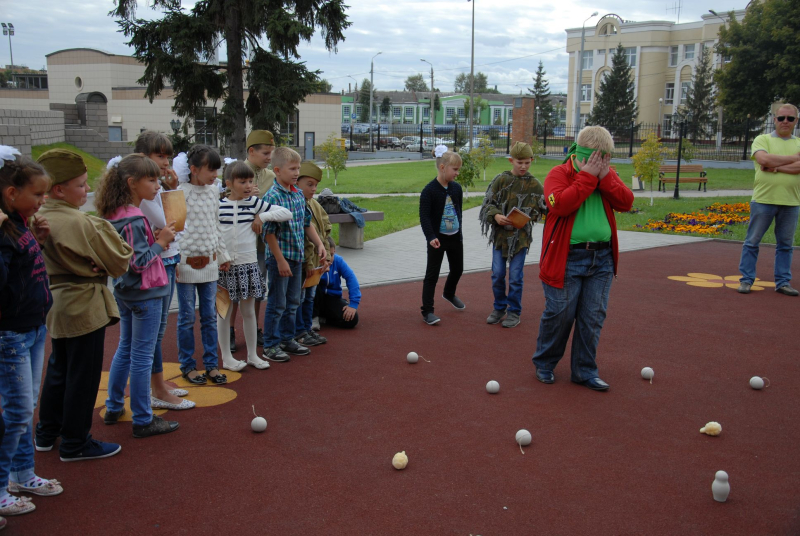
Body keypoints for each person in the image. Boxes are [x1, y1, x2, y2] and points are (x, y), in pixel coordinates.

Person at [34, 149, 133, 461]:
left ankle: (47, 432)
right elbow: (119, 260)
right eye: (80, 185)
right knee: (84, 374)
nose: (87, 190)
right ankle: (76, 442)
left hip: (56, 301)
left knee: (58, 368)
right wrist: (101, 264)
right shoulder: (79, 222)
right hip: (84, 302)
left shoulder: (38, 217)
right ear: (59, 189)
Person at [532, 126, 633, 392]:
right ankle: (545, 363)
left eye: (606, 159)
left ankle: (584, 370)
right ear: (580, 154)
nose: (601, 164)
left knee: (592, 316)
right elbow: (560, 205)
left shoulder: (606, 175)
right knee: (560, 314)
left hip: (601, 258)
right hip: (567, 257)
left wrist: (605, 178)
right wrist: (588, 178)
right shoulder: (559, 174)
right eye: (596, 158)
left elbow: (627, 202)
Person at [97, 153, 181, 437]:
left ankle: (114, 405)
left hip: (125, 291)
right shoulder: (133, 218)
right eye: (152, 179)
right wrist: (161, 242)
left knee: (126, 348)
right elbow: (138, 261)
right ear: (132, 183)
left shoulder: (114, 214)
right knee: (142, 356)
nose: (158, 185)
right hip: (145, 292)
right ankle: (144, 418)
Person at [0, 147, 62, 516]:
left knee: (25, 408)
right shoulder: (4, 230)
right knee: (17, 411)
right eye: (37, 194)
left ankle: (22, 473)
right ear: (11, 193)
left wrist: (36, 239)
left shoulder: (19, 223)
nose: (42, 201)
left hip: (33, 328)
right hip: (10, 334)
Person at [135, 131, 194, 411]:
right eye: (160, 155)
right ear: (143, 158)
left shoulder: (156, 186)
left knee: (157, 330)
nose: (166, 161)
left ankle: (156, 384)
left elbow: (174, 223)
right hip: (158, 260)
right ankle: (155, 388)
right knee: (152, 333)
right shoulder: (146, 190)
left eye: (168, 155)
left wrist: (170, 188)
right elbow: (174, 220)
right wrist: (171, 191)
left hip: (167, 257)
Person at [217, 160, 291, 371]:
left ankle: (252, 355)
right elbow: (214, 232)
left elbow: (286, 213)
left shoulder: (254, 203)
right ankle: (226, 357)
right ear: (229, 183)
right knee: (223, 312)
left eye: (250, 181)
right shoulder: (218, 205)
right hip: (224, 266)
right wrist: (222, 256)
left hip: (248, 264)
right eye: (243, 182)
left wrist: (262, 216)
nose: (249, 185)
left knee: (249, 311)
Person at [173, 145, 231, 384]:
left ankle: (211, 364)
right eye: (211, 169)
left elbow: (215, 226)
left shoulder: (213, 191)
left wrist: (223, 254)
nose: (215, 175)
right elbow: (175, 229)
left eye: (217, 170)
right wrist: (175, 260)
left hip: (210, 265)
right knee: (186, 318)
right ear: (194, 169)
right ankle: (187, 365)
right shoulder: (180, 192)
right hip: (185, 265)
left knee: (209, 316)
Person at [261, 147, 326, 362]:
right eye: (292, 169)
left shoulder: (298, 194)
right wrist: (279, 260)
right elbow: (269, 233)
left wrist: (319, 244)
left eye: (298, 168)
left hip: (297, 258)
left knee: (293, 302)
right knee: (277, 303)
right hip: (281, 258)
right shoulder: (273, 197)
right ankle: (270, 344)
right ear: (277, 170)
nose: (297, 172)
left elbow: (306, 224)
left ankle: (288, 338)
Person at [479, 141, 546, 328]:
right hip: (500, 238)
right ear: (511, 160)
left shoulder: (535, 185)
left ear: (532, 160)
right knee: (498, 274)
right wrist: (497, 216)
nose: (523, 166)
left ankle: (514, 311)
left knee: (516, 276)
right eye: (519, 162)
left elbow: (544, 209)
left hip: (521, 238)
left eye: (527, 162)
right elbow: (486, 205)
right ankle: (499, 306)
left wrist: (531, 215)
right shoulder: (501, 180)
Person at [737, 102, 800, 296]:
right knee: (752, 242)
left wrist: (776, 167)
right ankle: (746, 280)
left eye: (790, 118)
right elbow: (763, 160)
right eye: (781, 118)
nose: (785, 122)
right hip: (763, 200)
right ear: (775, 120)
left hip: (791, 202)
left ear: (796, 121)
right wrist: (793, 158)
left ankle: (782, 282)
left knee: (785, 245)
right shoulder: (762, 139)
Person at [229, 130, 277, 351]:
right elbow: (223, 199)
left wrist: (260, 214)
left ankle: (254, 328)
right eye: (266, 153)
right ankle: (229, 329)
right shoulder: (235, 171)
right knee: (233, 290)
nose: (269, 157)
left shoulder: (270, 177)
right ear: (251, 151)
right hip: (237, 242)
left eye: (271, 153)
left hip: (260, 243)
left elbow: (273, 206)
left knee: (257, 288)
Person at [419, 145, 464, 325]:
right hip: (437, 240)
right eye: (455, 169)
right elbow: (424, 217)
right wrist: (431, 237)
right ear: (443, 168)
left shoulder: (457, 189)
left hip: (455, 238)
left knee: (458, 269)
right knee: (432, 275)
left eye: (459, 170)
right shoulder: (429, 191)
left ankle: (449, 293)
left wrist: (459, 233)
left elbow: (458, 211)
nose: (457, 173)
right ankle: (427, 311)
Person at [294, 161, 331, 348]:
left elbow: (325, 231)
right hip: (304, 262)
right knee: (300, 298)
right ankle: (298, 331)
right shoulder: (298, 204)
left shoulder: (315, 205)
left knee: (309, 297)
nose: (314, 188)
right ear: (297, 182)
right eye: (309, 184)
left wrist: (328, 257)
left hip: (316, 262)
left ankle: (307, 329)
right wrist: (309, 263)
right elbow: (304, 238)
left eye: (316, 185)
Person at [316, 236, 360, 329]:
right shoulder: (314, 263)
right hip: (313, 300)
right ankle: (313, 318)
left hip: (332, 299)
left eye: (331, 255)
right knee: (315, 287)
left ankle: (324, 319)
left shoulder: (338, 261)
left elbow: (351, 278)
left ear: (335, 252)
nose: (329, 259)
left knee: (352, 319)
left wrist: (353, 304)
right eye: (326, 255)